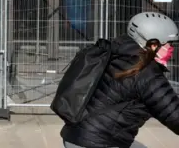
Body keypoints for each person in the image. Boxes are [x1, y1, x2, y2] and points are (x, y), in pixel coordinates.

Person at [61, 12, 179, 148]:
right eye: (168, 44)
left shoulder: (116, 53)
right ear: (153, 45)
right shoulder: (148, 73)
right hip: (97, 142)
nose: (172, 49)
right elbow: (174, 116)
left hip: (75, 134)